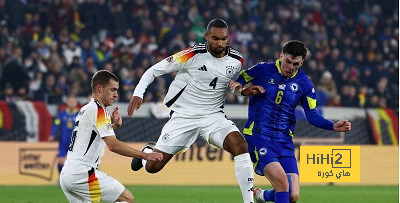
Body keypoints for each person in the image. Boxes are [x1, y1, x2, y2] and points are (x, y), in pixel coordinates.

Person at [127, 19, 263, 203]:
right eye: (215, 38)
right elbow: (154, 70)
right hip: (184, 115)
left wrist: (242, 91)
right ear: (207, 36)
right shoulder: (191, 54)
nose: (220, 43)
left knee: (241, 146)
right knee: (152, 167)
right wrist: (138, 94)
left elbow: (228, 85)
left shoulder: (237, 60)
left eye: (223, 39)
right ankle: (147, 151)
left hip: (213, 116)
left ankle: (248, 202)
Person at [230, 40, 352, 203]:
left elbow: (312, 116)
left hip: (285, 142)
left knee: (293, 195)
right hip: (259, 137)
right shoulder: (262, 70)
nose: (290, 67)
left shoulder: (304, 84)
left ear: (302, 62)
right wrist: (240, 88)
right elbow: (238, 81)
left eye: (295, 64)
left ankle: (261, 195)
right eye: (287, 61)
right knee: (282, 183)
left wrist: (332, 125)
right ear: (281, 56)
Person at [60, 70, 163, 203]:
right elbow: (113, 146)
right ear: (99, 88)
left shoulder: (86, 108)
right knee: (127, 199)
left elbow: (91, 134)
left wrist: (114, 127)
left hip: (68, 174)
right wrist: (145, 155)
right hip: (82, 173)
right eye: (112, 90)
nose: (116, 95)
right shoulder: (99, 111)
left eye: (117, 90)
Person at [49, 94, 79, 175]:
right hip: (64, 142)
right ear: (67, 102)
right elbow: (56, 124)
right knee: (60, 162)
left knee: (76, 163)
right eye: (70, 101)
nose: (71, 103)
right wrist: (52, 134)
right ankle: (61, 179)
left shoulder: (80, 115)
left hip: (76, 143)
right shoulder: (61, 114)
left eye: (73, 101)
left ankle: (73, 181)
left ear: (76, 103)